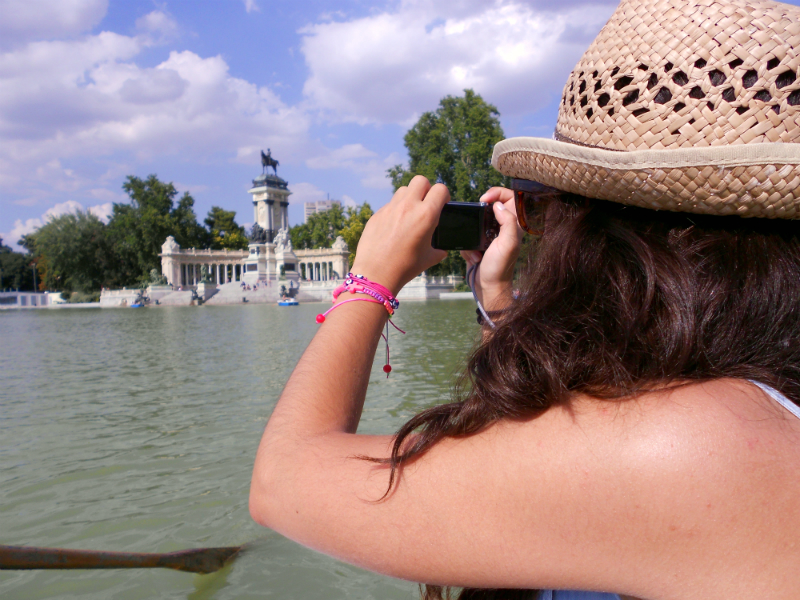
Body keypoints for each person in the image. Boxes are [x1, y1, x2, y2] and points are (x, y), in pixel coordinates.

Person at [250, 0, 800, 598]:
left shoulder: (691, 447)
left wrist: (369, 280)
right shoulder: (749, 409)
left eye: (542, 203)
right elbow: (538, 440)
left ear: (602, 233)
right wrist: (495, 295)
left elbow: (284, 479)